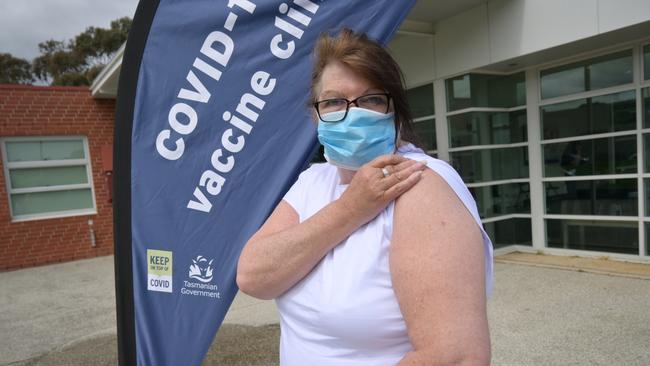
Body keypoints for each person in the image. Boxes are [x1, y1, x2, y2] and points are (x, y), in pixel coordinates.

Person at [237, 28, 493, 365]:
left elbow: (455, 357)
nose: (353, 113)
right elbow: (253, 276)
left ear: (395, 110)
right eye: (333, 102)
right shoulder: (315, 179)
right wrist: (352, 208)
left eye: (372, 99)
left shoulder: (419, 184)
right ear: (316, 115)